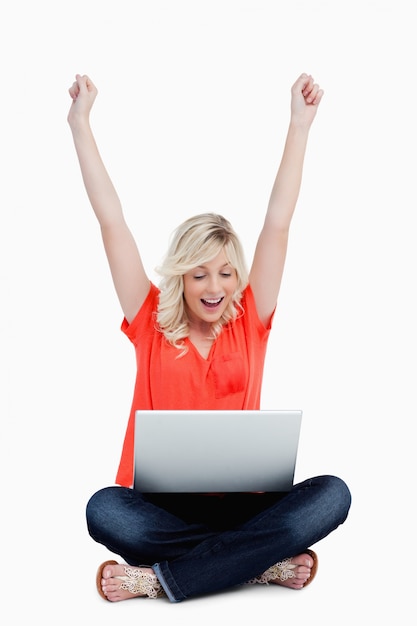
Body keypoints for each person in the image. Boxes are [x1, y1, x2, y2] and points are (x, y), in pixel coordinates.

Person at [67, 72, 351, 604]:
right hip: (159, 507)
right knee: (104, 510)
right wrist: (81, 125)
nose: (213, 287)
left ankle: (161, 579)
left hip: (244, 501)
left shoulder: (250, 318)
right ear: (180, 276)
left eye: (224, 273)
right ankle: (257, 566)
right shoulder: (150, 318)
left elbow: (278, 223)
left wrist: (299, 126)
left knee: (333, 495)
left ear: (237, 274)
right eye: (198, 274)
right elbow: (112, 222)